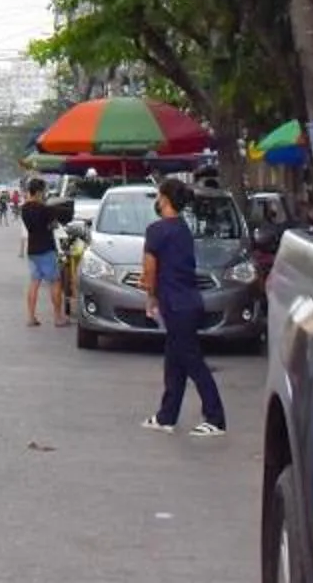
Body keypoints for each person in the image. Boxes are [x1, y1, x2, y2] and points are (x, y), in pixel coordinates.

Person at [138, 175, 227, 438]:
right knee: (174, 361)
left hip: (174, 304)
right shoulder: (183, 229)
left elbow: (149, 269)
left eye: (158, 195)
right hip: (188, 301)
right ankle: (167, 415)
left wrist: (150, 296)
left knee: (192, 362)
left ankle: (216, 417)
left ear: (164, 199)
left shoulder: (156, 230)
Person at [19, 176, 71, 327]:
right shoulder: (45, 209)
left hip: (32, 250)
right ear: (40, 192)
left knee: (34, 283)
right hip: (46, 249)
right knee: (55, 282)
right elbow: (54, 225)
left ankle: (31, 317)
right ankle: (58, 317)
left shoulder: (24, 209)